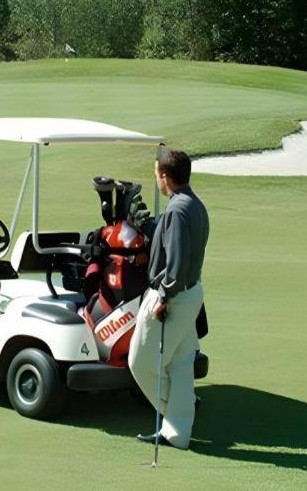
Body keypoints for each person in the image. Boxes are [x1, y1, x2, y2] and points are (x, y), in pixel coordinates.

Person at [128, 148, 209, 450]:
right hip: (192, 294)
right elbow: (172, 237)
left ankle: (171, 414)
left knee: (139, 362)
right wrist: (148, 225)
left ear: (164, 176)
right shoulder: (193, 204)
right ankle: (178, 432)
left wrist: (163, 297)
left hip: (173, 297)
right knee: (180, 364)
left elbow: (174, 261)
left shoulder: (176, 210)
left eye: (156, 175)